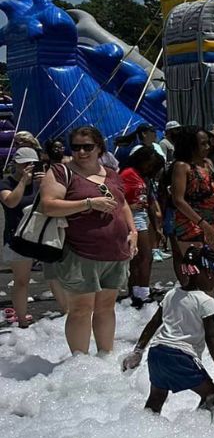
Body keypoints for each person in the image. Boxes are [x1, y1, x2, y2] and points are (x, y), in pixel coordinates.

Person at [39, 125, 138, 355]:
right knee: (81, 309)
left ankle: (105, 356)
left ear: (100, 148)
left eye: (87, 147)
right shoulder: (61, 171)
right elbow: (48, 205)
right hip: (80, 252)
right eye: (75, 147)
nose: (81, 152)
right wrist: (89, 203)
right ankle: (79, 363)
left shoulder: (111, 174)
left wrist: (133, 231)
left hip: (115, 252)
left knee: (106, 307)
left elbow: (122, 204)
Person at [121, 246, 214, 415]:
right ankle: (198, 434)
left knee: (156, 398)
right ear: (207, 272)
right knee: (211, 395)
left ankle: (143, 431)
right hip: (180, 357)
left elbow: (153, 324)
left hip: (157, 353)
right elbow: (211, 337)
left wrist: (138, 351)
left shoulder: (171, 294)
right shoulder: (206, 301)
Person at [168, 125, 214, 293]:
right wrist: (202, 223)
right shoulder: (182, 167)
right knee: (199, 272)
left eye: (208, 143)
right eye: (203, 144)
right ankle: (198, 312)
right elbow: (178, 200)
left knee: (213, 268)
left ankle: (210, 308)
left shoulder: (208, 164)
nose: (208, 147)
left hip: (210, 219)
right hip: (189, 222)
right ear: (190, 145)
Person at [120, 146, 164, 308]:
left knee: (138, 257)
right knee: (146, 256)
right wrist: (131, 206)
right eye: (149, 163)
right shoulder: (128, 174)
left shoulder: (140, 176)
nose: (149, 168)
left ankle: (136, 290)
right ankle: (143, 292)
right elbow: (118, 199)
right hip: (134, 216)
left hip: (141, 216)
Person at [1, 147, 41, 327]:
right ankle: (22, 319)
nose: (28, 167)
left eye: (32, 163)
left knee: (55, 276)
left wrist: (44, 184)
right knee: (22, 280)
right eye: (24, 163)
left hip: (40, 235)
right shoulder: (6, 183)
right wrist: (23, 181)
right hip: (17, 236)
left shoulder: (38, 181)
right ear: (16, 164)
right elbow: (11, 202)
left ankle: (67, 312)